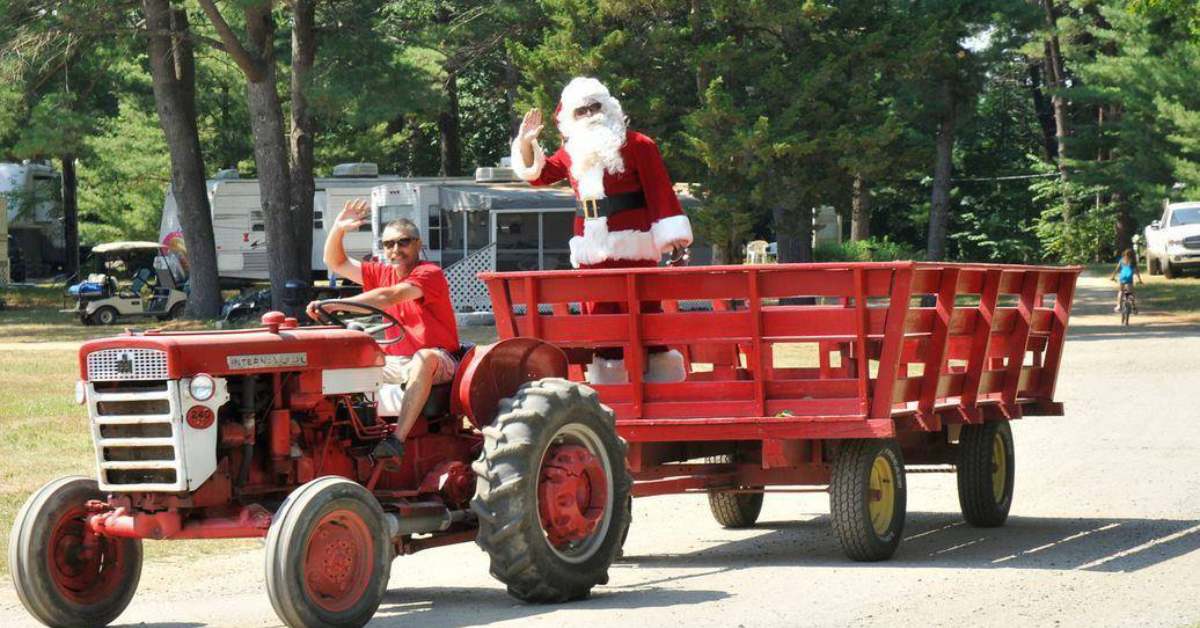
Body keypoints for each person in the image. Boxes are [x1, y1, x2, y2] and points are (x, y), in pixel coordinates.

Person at [509, 76, 693, 383]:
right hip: (592, 250)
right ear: (570, 117)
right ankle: (611, 385)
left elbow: (660, 191)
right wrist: (527, 142)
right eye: (581, 111)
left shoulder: (639, 145)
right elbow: (538, 175)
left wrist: (673, 239)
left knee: (646, 314)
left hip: (635, 246)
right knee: (601, 318)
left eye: (595, 106)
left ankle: (661, 381)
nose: (590, 114)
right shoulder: (571, 152)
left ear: (608, 107)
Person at [307, 199, 459, 461]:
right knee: (343, 358)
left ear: (418, 244)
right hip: (396, 361)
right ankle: (341, 435)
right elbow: (336, 262)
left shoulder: (429, 273)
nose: (395, 249)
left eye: (403, 242)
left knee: (424, 358)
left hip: (439, 359)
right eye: (388, 244)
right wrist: (338, 228)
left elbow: (390, 296)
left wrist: (336, 304)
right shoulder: (380, 273)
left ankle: (396, 441)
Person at [1109, 248, 1143, 312]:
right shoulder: (1133, 262)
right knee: (1131, 292)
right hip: (1129, 277)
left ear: (1125, 254)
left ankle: (1119, 306)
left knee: (1121, 291)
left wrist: (1112, 277)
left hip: (1122, 277)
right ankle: (1133, 306)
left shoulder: (1122, 260)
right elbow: (1137, 271)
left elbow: (1117, 269)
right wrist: (1140, 280)